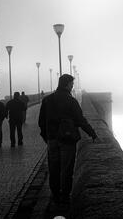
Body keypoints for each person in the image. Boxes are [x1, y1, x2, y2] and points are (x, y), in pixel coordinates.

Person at [38, 74, 97, 204]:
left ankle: (55, 195)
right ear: (67, 84)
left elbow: (41, 122)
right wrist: (92, 133)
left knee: (53, 168)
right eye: (71, 84)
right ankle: (65, 196)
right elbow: (80, 120)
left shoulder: (47, 100)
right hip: (67, 139)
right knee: (66, 169)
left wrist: (47, 137)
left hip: (52, 139)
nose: (72, 86)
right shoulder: (71, 101)